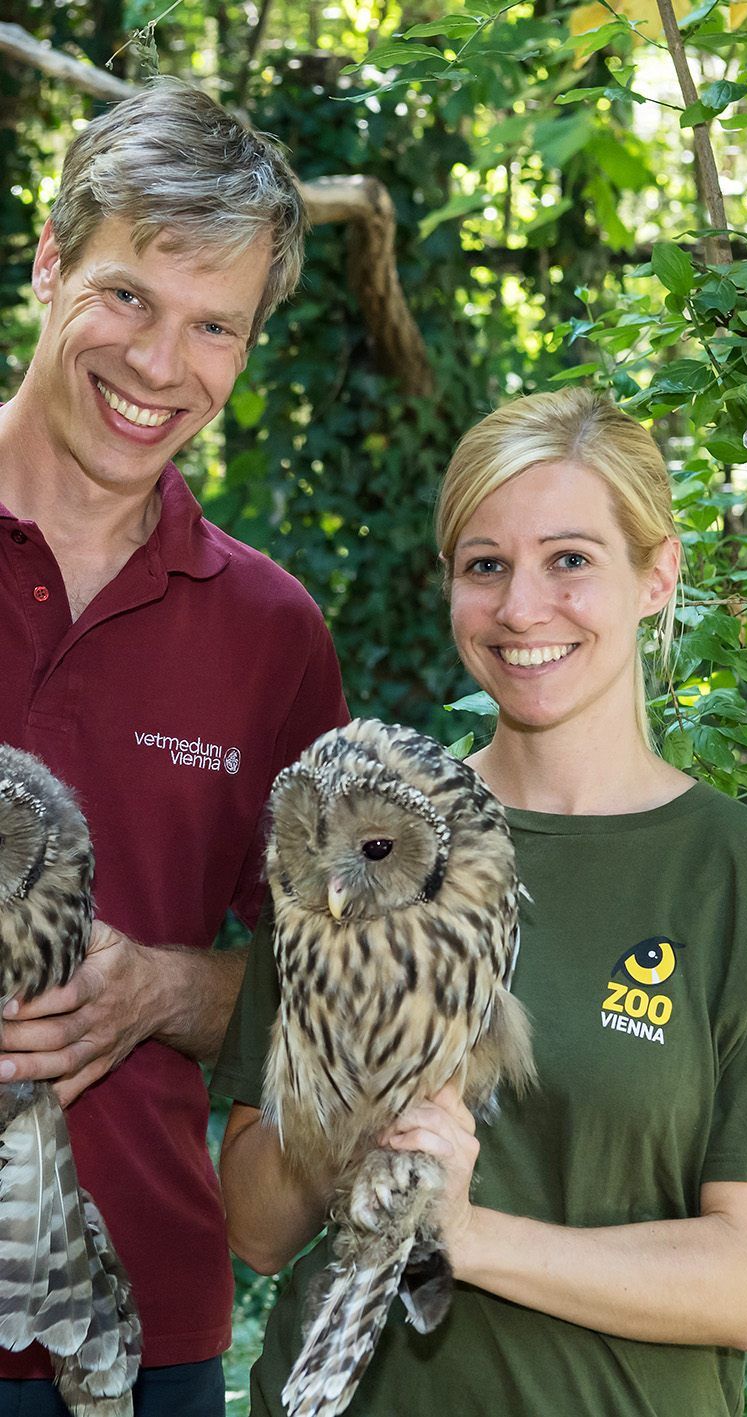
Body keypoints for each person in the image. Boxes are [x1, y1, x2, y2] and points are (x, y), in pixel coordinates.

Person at [212, 387, 747, 1416]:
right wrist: (363, 1088)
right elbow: (254, 1227)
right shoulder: (362, 829)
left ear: (655, 574)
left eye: (568, 559)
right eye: (485, 566)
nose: (522, 607)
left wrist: (466, 1235)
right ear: (449, 586)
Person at [0, 78, 347, 1416]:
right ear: (47, 260)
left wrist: (160, 988)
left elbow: (324, 986)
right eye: (130, 295)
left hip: (140, 1346)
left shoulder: (271, 635)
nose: (158, 365)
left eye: (214, 326)